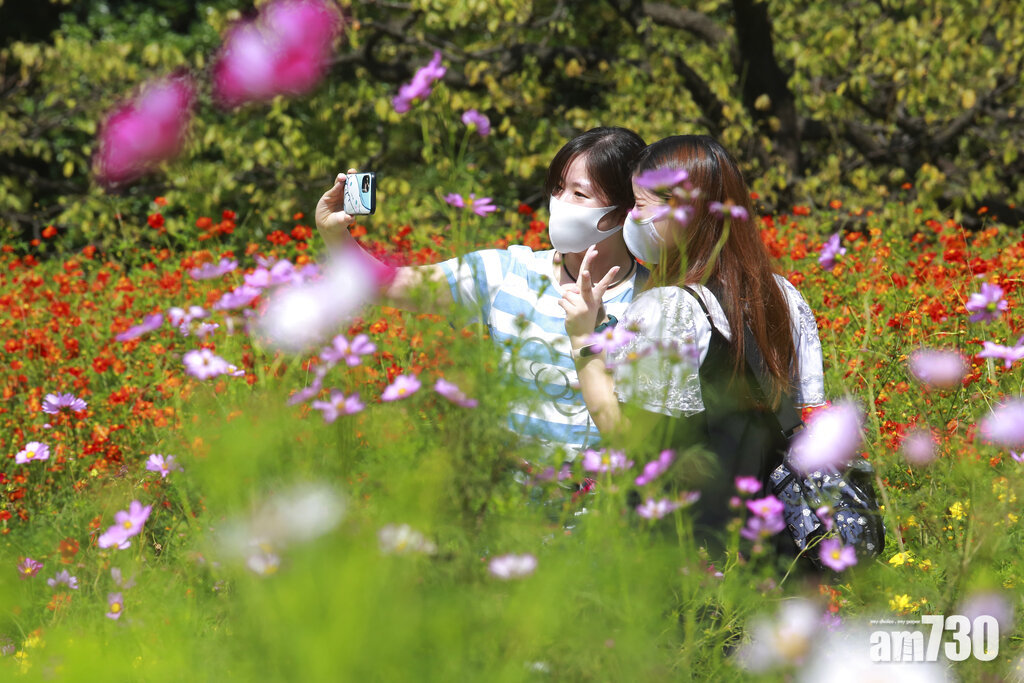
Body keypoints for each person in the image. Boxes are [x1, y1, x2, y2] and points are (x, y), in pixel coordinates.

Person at [315, 127, 650, 461]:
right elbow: (387, 286)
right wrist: (335, 236)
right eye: (558, 188)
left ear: (624, 210)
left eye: (579, 194)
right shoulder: (506, 272)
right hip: (512, 503)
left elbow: (640, 438)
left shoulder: (651, 300)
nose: (560, 203)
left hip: (598, 507)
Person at [559, 134, 825, 534]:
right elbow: (808, 410)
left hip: (689, 546)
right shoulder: (782, 293)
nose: (633, 218)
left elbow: (628, 437)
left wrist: (583, 337)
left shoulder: (668, 307)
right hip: (770, 541)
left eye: (641, 205)